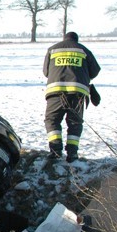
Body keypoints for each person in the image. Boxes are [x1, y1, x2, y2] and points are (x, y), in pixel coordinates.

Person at [42, 31, 100, 163]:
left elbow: (46, 72)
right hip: (77, 93)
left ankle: (55, 151)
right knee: (75, 122)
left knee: (52, 120)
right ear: (76, 40)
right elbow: (95, 71)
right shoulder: (84, 50)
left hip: (55, 93)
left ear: (64, 39)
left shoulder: (52, 50)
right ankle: (72, 154)